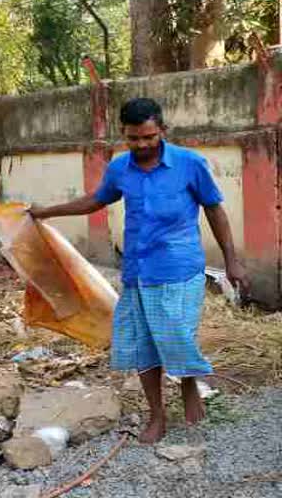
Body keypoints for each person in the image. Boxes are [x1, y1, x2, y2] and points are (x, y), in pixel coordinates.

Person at [29, 98, 248, 443]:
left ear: (162, 130)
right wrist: (47, 212)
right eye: (134, 138)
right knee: (143, 345)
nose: (142, 145)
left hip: (180, 269)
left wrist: (232, 260)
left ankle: (189, 385)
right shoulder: (120, 169)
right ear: (124, 134)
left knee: (176, 336)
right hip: (137, 272)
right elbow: (96, 200)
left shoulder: (190, 164)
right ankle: (156, 415)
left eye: (149, 137)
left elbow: (215, 210)